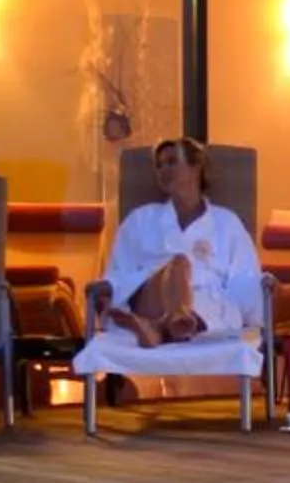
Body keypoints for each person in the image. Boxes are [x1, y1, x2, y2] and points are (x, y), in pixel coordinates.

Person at [98, 136, 262, 347]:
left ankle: (158, 330)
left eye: (172, 162)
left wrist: (257, 312)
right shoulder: (140, 219)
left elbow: (244, 279)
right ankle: (176, 320)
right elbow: (119, 271)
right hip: (152, 298)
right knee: (179, 264)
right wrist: (107, 288)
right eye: (159, 165)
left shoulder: (227, 223)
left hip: (204, 307)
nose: (163, 170)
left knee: (214, 307)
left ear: (196, 167)